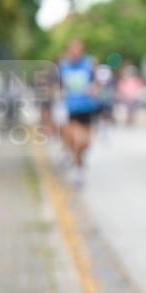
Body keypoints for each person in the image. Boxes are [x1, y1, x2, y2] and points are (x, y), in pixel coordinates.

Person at [57, 39, 99, 188]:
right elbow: (58, 85)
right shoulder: (63, 66)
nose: (75, 52)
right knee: (77, 140)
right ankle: (78, 171)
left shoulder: (89, 64)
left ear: (81, 50)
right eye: (72, 49)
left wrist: (94, 88)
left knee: (86, 143)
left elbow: (97, 81)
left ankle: (78, 161)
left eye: (78, 49)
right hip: (71, 109)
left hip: (87, 108)